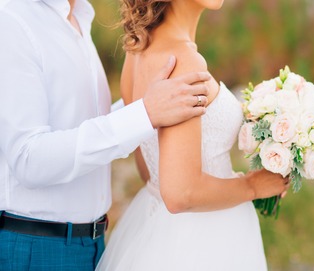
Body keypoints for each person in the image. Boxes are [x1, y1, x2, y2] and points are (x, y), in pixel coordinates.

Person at [0, 0, 213, 270]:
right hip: (34, 247)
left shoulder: (77, 17)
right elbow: (29, 158)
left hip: (92, 245)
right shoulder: (12, 20)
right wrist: (144, 114)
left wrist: (152, 104)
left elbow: (77, 125)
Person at [96, 0, 289, 270]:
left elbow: (148, 170)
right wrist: (253, 186)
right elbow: (179, 193)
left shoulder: (137, 50)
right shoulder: (184, 60)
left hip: (156, 230)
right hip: (203, 241)